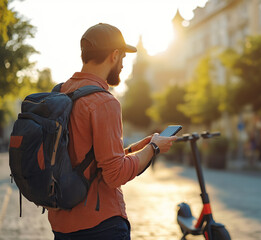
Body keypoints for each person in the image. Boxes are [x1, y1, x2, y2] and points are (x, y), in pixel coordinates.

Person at [48, 23, 177, 240]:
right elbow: (114, 174)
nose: (123, 65)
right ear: (114, 55)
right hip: (100, 225)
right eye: (123, 58)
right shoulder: (104, 101)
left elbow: (84, 157)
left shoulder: (60, 92)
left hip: (62, 224)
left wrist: (136, 150)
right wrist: (154, 148)